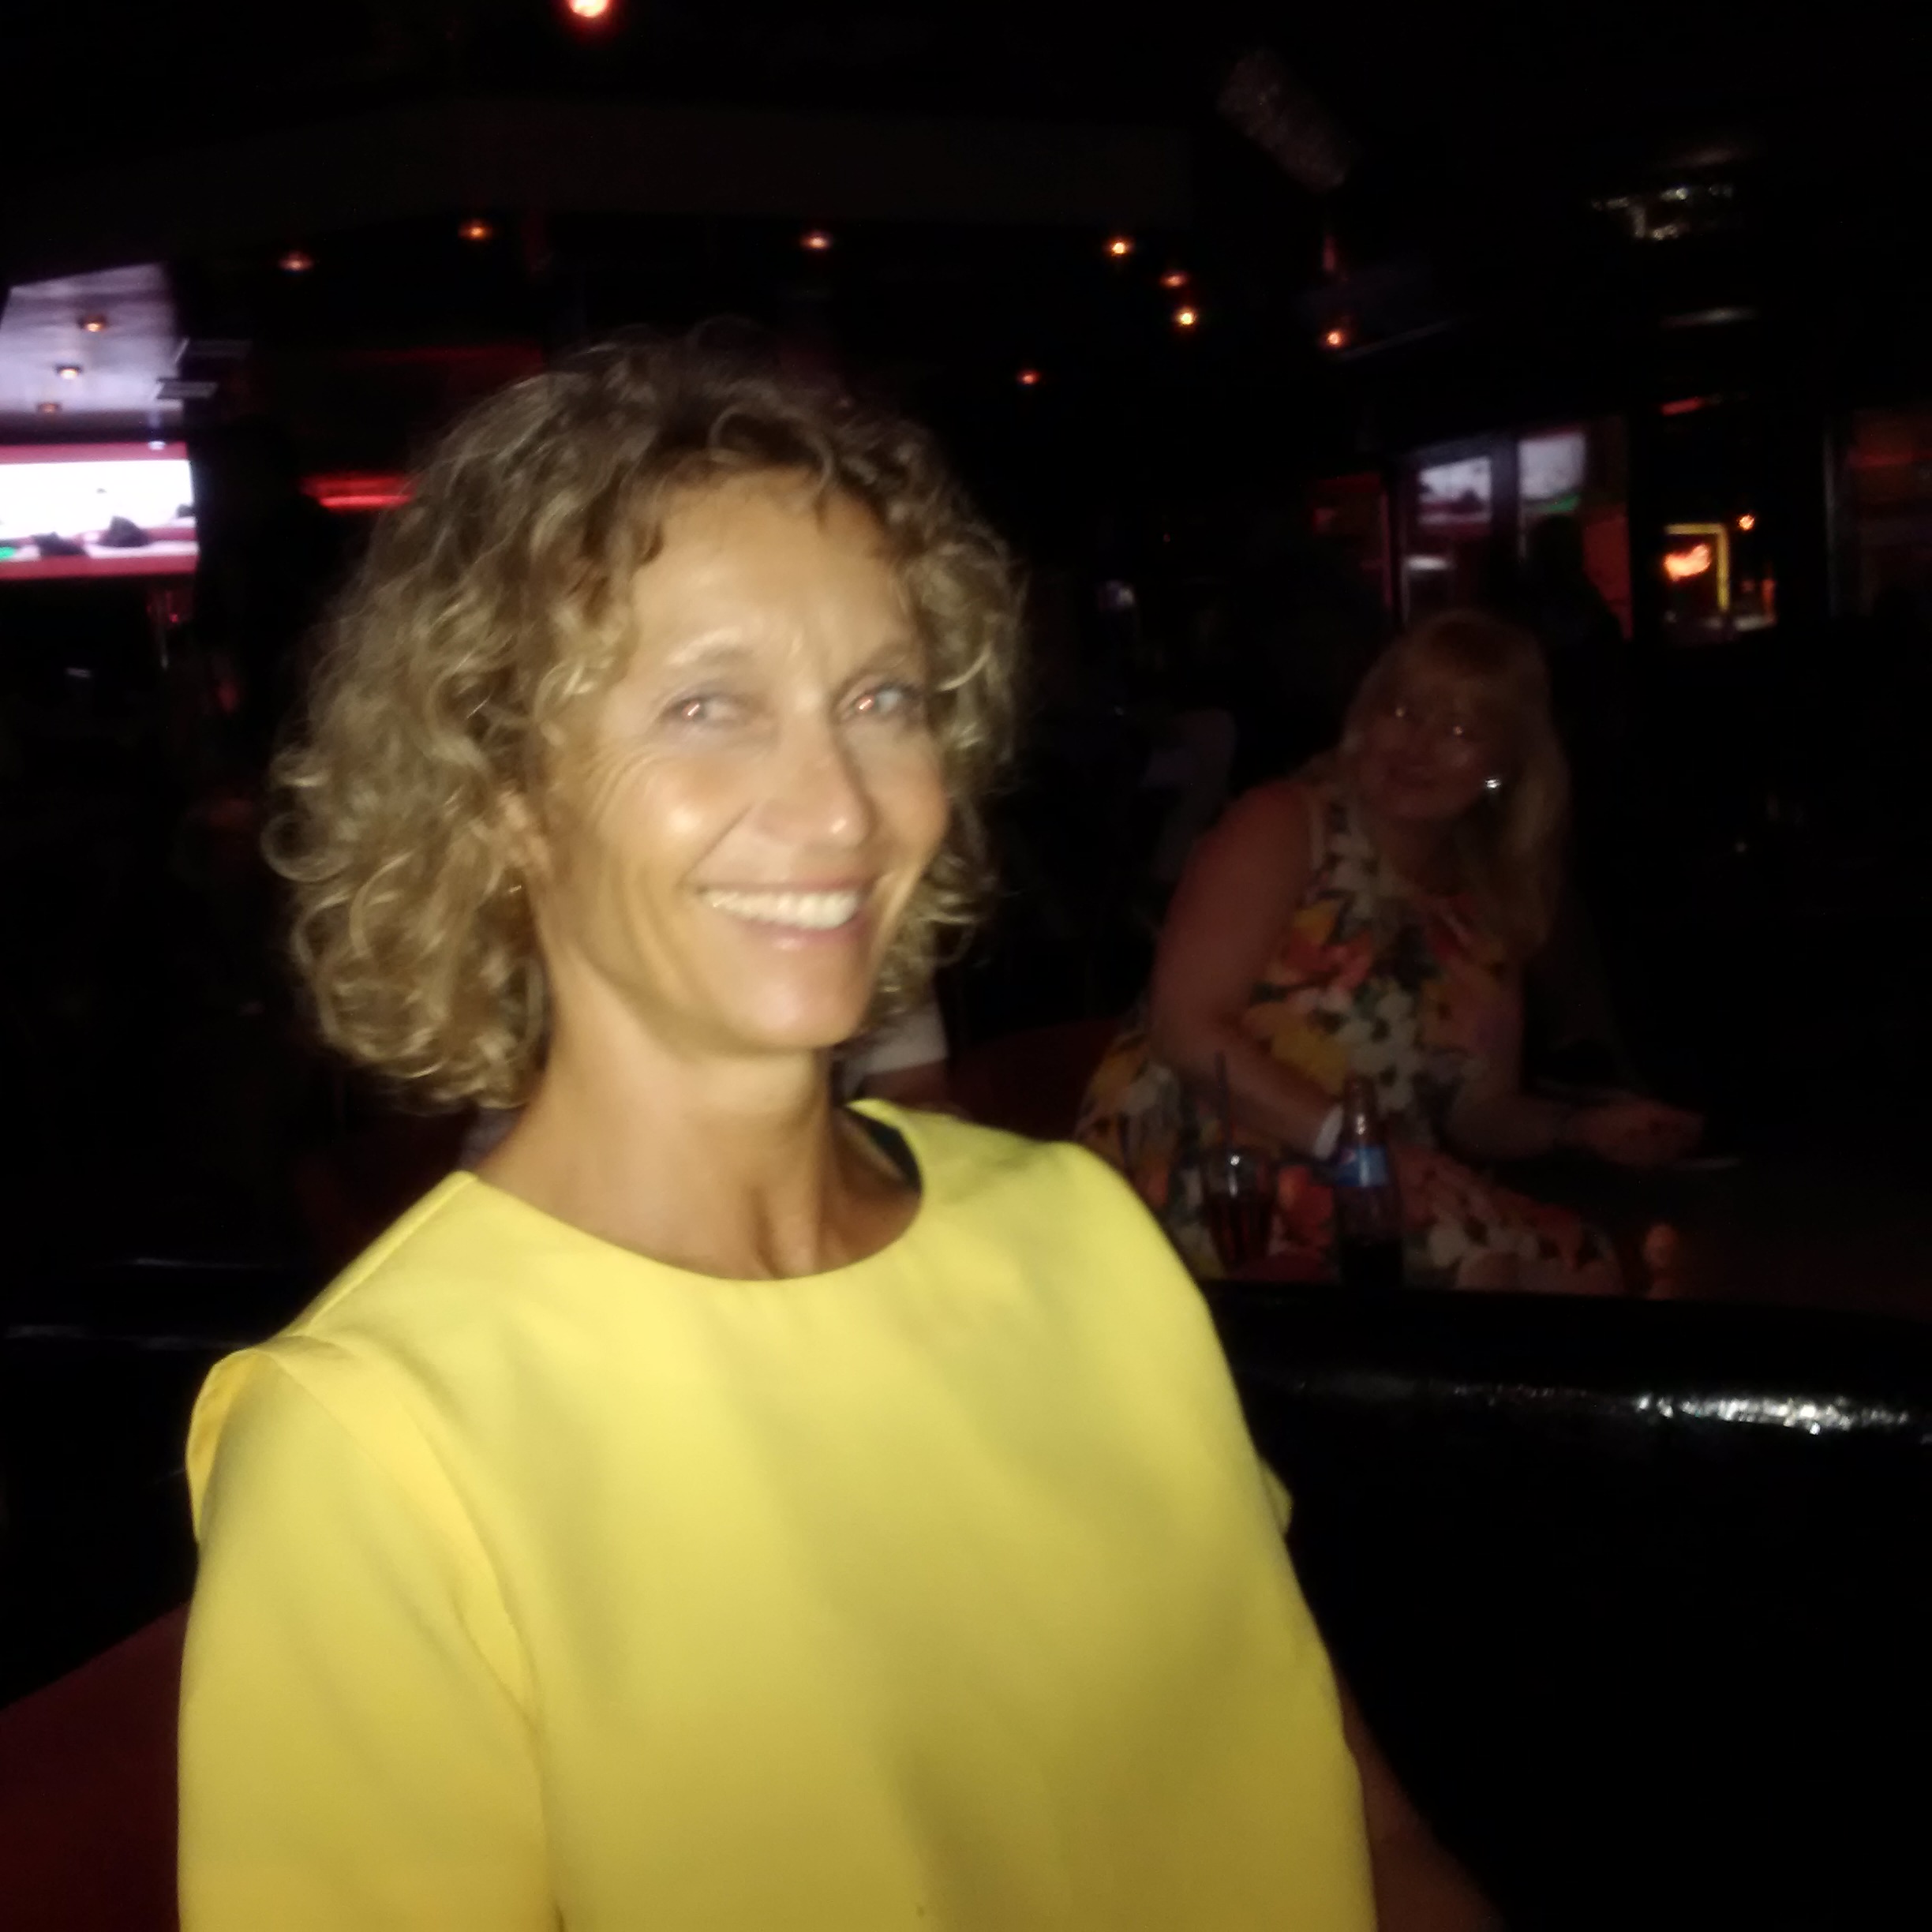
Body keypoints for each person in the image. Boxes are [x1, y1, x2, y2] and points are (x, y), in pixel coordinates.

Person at [178, 340, 1477, 1929]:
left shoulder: (1082, 1235)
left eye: (880, 698)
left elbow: (1362, 1828)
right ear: (499, 790)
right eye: (709, 704)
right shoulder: (377, 1444)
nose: (846, 808)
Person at [1077, 610, 1702, 1290]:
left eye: (1460, 731)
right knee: (1473, 1263)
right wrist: (1358, 1147)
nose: (1418, 746)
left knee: (1581, 1262)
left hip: (1374, 1178)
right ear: (1363, 719)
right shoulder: (1284, 823)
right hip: (1211, 1163)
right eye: (1403, 712)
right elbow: (1185, 1030)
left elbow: (1477, 1111)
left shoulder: (1483, 906)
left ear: (1503, 769)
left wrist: (1579, 1127)